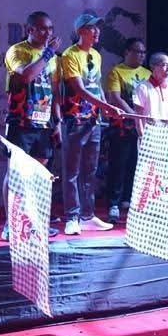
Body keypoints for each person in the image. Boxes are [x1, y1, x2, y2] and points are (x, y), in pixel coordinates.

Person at [58, 14, 120, 236]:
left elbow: (97, 86)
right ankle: (72, 217)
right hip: (75, 119)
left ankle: (88, 215)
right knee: (72, 172)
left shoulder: (96, 55)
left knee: (90, 171)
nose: (97, 32)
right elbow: (79, 89)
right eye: (93, 28)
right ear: (81, 31)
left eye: (97, 28)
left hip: (94, 120)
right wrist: (106, 105)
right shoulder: (70, 55)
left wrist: (105, 109)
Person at [2, 11, 61, 239]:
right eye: (42, 28)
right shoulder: (17, 51)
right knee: (16, 174)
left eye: (50, 28)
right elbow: (26, 76)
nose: (48, 33)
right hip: (21, 121)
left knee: (37, 176)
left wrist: (57, 122)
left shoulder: (53, 58)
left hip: (44, 123)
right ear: (30, 30)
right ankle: (11, 224)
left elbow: (54, 92)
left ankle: (33, 222)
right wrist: (47, 54)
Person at [103, 37, 150, 222]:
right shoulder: (116, 71)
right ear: (127, 52)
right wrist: (134, 115)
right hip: (122, 127)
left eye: (143, 52)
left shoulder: (148, 74)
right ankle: (113, 204)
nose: (141, 55)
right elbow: (115, 98)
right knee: (118, 165)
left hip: (143, 128)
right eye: (138, 52)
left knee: (137, 165)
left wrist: (143, 119)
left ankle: (129, 200)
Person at [132, 52, 168, 121]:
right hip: (149, 127)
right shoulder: (143, 88)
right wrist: (141, 128)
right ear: (152, 67)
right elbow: (138, 116)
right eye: (164, 65)